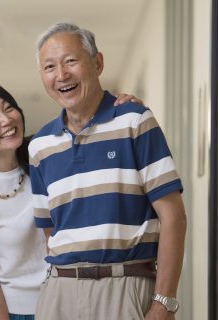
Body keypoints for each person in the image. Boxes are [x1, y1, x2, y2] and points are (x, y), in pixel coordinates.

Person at [0, 80, 143, 320]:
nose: (6, 120)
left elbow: (92, 137)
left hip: (77, 299)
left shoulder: (47, 155)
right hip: (23, 311)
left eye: (8, 108)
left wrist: (123, 110)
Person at [28, 22, 187, 320]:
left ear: (97, 63)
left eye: (70, 61)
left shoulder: (135, 122)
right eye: (49, 67)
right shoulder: (40, 146)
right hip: (59, 294)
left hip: (125, 288)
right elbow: (52, 231)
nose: (61, 75)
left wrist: (164, 302)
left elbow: (174, 217)